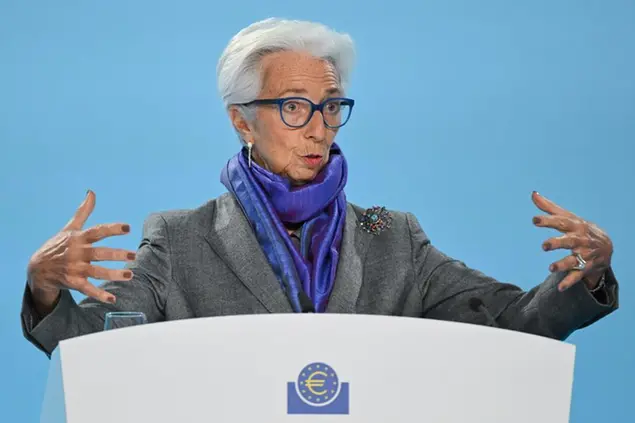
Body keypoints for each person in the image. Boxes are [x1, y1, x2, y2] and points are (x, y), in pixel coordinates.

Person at [22, 18, 618, 358]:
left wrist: (581, 277)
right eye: (292, 107)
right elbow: (102, 352)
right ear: (240, 118)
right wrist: (46, 293)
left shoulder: (388, 232)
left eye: (331, 107)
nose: (318, 129)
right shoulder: (181, 239)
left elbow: (509, 325)